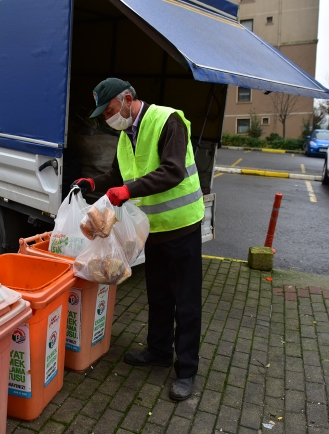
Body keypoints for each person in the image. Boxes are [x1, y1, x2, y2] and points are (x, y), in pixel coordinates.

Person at [73, 78, 204, 401]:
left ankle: (186, 370)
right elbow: (118, 177)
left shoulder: (167, 120)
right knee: (158, 295)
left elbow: (172, 171)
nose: (108, 119)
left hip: (182, 225)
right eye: (104, 115)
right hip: (152, 230)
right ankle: (158, 351)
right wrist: (94, 182)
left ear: (128, 99)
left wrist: (127, 191)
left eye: (111, 111)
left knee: (185, 302)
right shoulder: (124, 135)